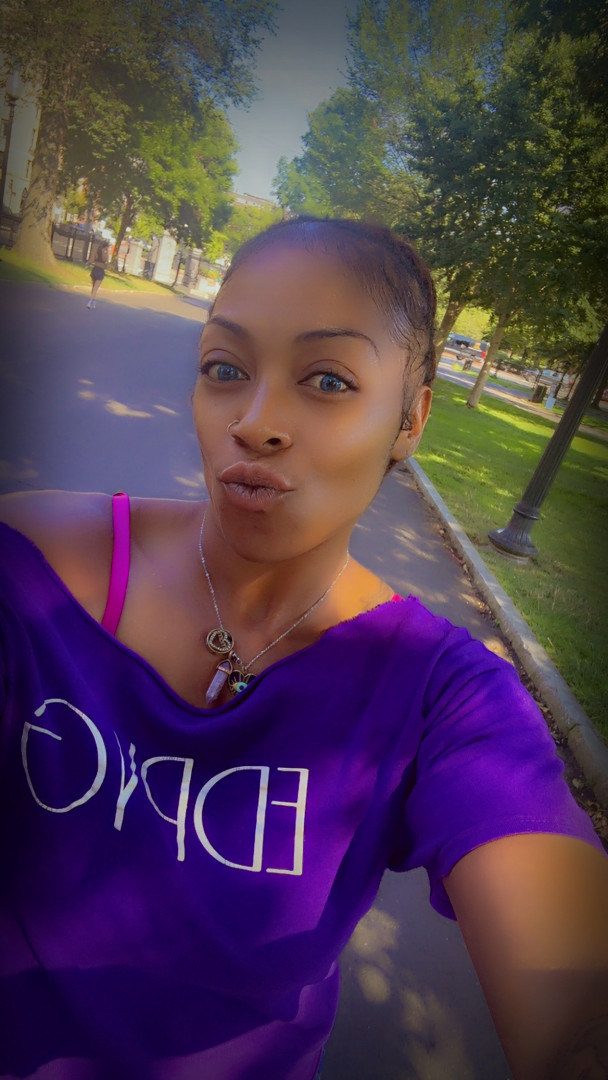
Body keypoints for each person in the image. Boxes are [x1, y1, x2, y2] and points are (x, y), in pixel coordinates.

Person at [0, 217, 607, 1080]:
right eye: (225, 369)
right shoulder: (35, 564)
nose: (254, 423)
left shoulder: (443, 699)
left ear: (411, 419)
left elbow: (574, 996)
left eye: (328, 379)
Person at [87, 239, 110, 308]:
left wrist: (88, 263)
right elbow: (106, 262)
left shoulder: (96, 251)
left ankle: (93, 301)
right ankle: (90, 302)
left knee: (93, 287)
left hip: (95, 269)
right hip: (100, 271)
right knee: (95, 288)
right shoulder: (106, 252)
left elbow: (92, 259)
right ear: (106, 246)